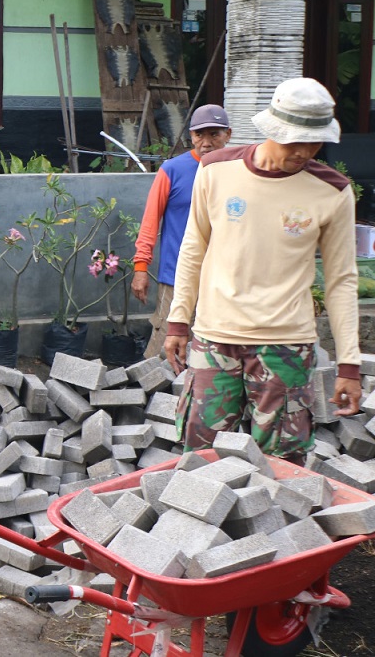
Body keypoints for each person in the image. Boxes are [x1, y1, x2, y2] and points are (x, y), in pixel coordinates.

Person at [165, 78, 363, 462]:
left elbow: (341, 281)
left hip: (286, 347)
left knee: (282, 464)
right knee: (200, 458)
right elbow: (193, 248)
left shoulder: (332, 192)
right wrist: (178, 321)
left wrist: (349, 365)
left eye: (315, 142)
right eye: (294, 140)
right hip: (214, 338)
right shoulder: (216, 170)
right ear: (272, 129)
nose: (304, 151)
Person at [131, 104, 232, 358]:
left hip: (224, 278)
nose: (206, 142)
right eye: (200, 134)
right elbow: (150, 221)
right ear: (191, 136)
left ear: (228, 135)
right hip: (176, 276)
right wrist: (141, 268)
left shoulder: (237, 170)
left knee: (214, 348)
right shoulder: (172, 170)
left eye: (214, 134)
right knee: (165, 347)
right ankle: (154, 395)